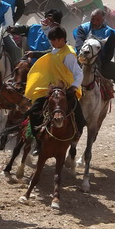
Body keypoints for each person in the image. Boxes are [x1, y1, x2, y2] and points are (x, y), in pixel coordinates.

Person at [25, 26, 86, 155]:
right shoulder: (56, 49)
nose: (51, 43)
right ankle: (38, 142)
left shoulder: (68, 55)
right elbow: (49, 52)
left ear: (61, 40)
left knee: (80, 118)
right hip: (51, 89)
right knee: (34, 111)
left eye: (53, 40)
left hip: (66, 90)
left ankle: (74, 140)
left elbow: (79, 74)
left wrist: (73, 87)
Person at [73, 9, 115, 112]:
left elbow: (109, 54)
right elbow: (79, 44)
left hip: (100, 64)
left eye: (98, 20)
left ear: (103, 20)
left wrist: (98, 63)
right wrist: (85, 60)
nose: (94, 22)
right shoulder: (83, 28)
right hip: (81, 61)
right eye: (93, 19)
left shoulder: (109, 33)